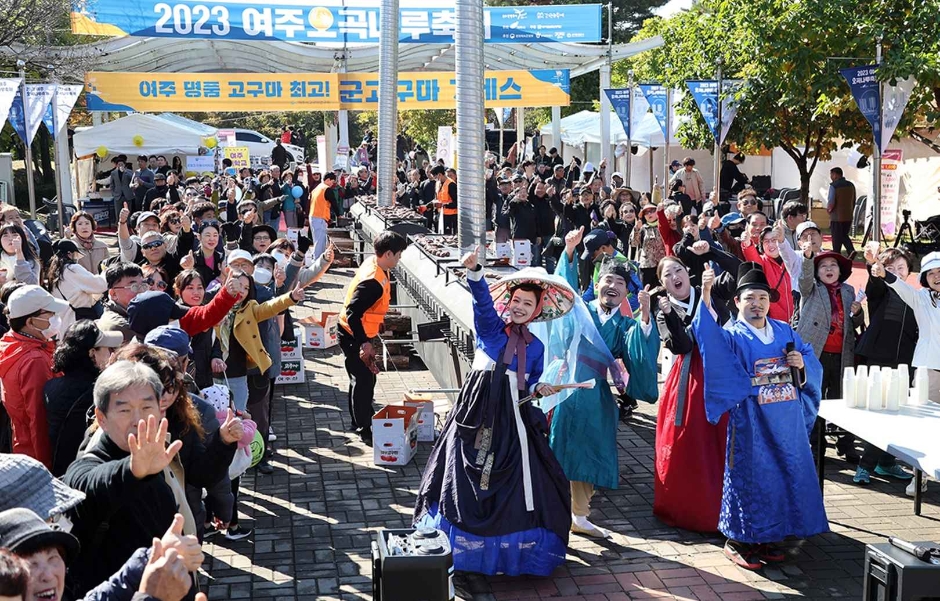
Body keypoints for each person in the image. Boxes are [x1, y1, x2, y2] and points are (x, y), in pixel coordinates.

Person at [414, 249, 574, 577]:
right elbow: (483, 305)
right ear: (509, 300)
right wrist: (475, 273)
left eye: (528, 304)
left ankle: (510, 553)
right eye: (516, 300)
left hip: (513, 420)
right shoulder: (490, 329)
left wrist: (539, 389)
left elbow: (527, 386)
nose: (519, 307)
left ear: (536, 311)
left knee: (526, 480)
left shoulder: (537, 348)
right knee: (463, 475)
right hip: (476, 413)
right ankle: (455, 544)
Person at [691, 262, 828, 569]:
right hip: (752, 419)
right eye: (750, 298)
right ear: (737, 301)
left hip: (786, 418)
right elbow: (707, 340)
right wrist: (706, 293)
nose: (757, 304)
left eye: (763, 299)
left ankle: (770, 535)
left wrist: (801, 362)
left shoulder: (784, 330)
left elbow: (808, 358)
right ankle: (739, 539)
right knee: (753, 477)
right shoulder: (731, 334)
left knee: (785, 474)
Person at [551, 237, 660, 537]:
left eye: (619, 284)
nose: (612, 287)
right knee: (556, 447)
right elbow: (561, 294)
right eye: (607, 279)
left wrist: (647, 318)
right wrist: (570, 252)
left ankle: (580, 515)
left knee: (590, 450)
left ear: (626, 292)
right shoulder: (579, 310)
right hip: (563, 386)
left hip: (595, 393)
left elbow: (639, 348)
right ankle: (555, 510)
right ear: (597, 282)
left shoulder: (626, 325)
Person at [62, 361, 197, 595]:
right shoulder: (88, 463)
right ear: (101, 417)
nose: (138, 420)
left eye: (146, 407)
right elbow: (87, 484)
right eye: (124, 410)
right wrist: (133, 469)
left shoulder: (161, 455)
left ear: (161, 409)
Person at [653, 259, 733, 532]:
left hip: (719, 374)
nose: (675, 276)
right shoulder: (663, 311)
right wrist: (671, 315)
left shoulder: (710, 290)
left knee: (723, 439)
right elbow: (682, 345)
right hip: (688, 379)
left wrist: (712, 251)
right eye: (667, 275)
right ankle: (689, 507)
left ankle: (727, 508)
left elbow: (725, 325)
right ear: (663, 284)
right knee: (689, 440)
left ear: (688, 273)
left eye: (679, 270)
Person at [856, 247, 920, 491]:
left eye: (900, 268)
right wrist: (876, 270)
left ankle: (886, 461)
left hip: (906, 360)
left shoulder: (915, 296)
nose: (896, 272)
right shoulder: (880, 292)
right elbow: (874, 285)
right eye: (890, 268)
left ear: (909, 272)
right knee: (880, 412)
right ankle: (865, 465)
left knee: (898, 412)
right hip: (878, 358)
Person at [794, 250, 864, 469]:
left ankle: (846, 443)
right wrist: (807, 258)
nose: (828, 269)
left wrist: (858, 312)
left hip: (843, 353)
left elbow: (856, 323)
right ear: (817, 272)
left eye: (833, 265)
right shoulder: (811, 289)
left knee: (842, 399)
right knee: (814, 398)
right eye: (823, 266)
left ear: (840, 271)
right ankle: (816, 445)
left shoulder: (848, 290)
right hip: (816, 353)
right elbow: (803, 280)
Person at [338, 231, 407, 445]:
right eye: (398, 255)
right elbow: (353, 312)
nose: (400, 259)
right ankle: (363, 427)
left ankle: (359, 418)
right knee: (364, 381)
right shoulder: (372, 282)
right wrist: (363, 343)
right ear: (387, 253)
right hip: (352, 335)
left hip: (359, 332)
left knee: (362, 379)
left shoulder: (377, 265)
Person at [0, 286, 68, 469]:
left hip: (22, 447)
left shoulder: (11, 342)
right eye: (50, 313)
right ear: (30, 322)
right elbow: (39, 418)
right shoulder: (34, 361)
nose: (56, 317)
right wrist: (46, 467)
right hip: (37, 456)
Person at [44, 320, 121, 477]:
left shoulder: (51, 385)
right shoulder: (95, 392)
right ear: (92, 353)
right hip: (85, 473)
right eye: (109, 349)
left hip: (61, 470)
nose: (114, 354)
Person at [871, 250, 940, 401]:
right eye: (931, 273)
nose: (936, 277)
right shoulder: (920, 298)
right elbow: (901, 286)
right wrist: (884, 274)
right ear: (924, 278)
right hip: (930, 369)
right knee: (927, 415)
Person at [44, 239, 108, 334]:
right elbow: (100, 285)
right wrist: (106, 272)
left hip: (63, 321)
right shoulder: (72, 269)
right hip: (78, 320)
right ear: (69, 254)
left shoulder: (54, 271)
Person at [99, 262, 147, 344]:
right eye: (134, 287)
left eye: (143, 285)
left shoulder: (131, 315)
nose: (141, 291)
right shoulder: (122, 326)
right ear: (113, 294)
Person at [632, 206, 666, 288]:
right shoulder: (643, 228)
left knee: (663, 289)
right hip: (647, 265)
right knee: (648, 290)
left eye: (652, 211)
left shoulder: (663, 225)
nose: (649, 214)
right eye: (646, 212)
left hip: (662, 263)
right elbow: (634, 243)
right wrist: (636, 229)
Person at [827, 167, 857, 257]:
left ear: (836, 175)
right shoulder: (851, 185)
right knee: (844, 234)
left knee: (836, 237)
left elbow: (831, 201)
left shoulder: (834, 186)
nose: (831, 177)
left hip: (837, 216)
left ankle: (837, 254)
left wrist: (829, 210)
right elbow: (854, 199)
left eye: (831, 174)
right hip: (848, 215)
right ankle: (850, 250)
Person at [309, 172, 336, 261]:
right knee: (320, 242)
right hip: (319, 217)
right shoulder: (326, 189)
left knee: (318, 240)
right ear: (328, 180)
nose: (332, 184)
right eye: (332, 182)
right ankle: (317, 262)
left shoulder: (317, 188)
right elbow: (334, 202)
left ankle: (317, 260)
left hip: (314, 216)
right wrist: (339, 215)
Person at [431, 166, 457, 235]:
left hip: (450, 216)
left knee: (449, 236)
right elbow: (436, 198)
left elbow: (456, 203)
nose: (435, 179)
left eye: (435, 177)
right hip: (440, 215)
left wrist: (443, 205)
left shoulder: (451, 184)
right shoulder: (437, 184)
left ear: (440, 174)